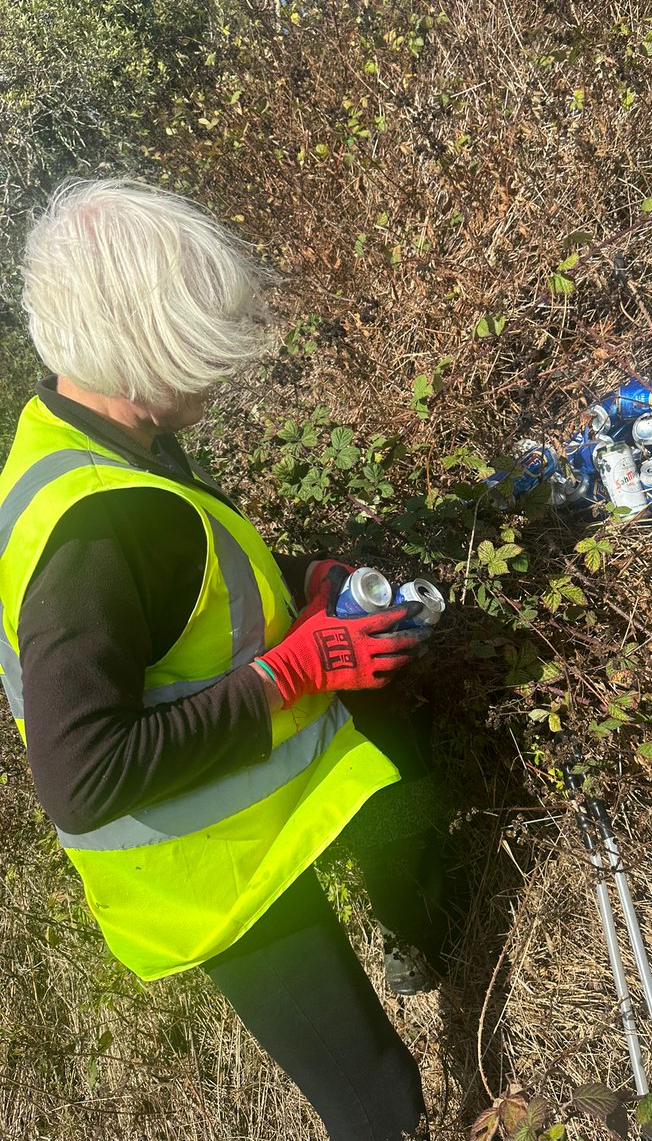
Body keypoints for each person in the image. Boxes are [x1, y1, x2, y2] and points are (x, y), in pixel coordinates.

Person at [0, 178, 455, 1140]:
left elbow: (185, 587)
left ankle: (424, 940)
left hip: (258, 799)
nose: (219, 379)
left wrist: (302, 584)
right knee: (379, 1102)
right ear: (141, 355)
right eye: (198, 355)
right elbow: (83, 780)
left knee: (402, 782)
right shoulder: (96, 530)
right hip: (211, 869)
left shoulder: (86, 435)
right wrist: (295, 670)